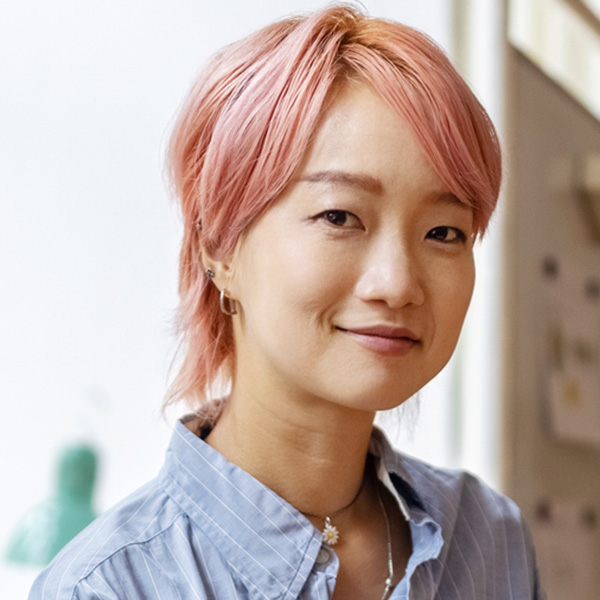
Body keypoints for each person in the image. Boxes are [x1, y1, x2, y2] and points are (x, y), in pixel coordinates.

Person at [30, 5, 544, 599]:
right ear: (219, 248)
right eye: (340, 216)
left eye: (444, 232)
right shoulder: (110, 587)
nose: (398, 283)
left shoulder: (490, 539)